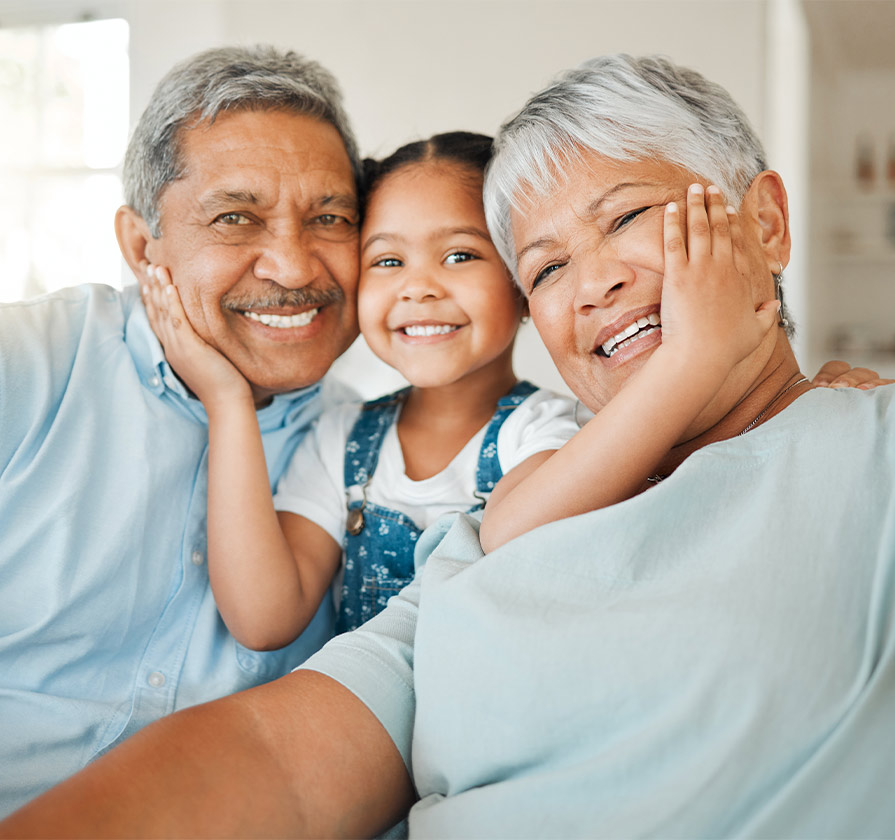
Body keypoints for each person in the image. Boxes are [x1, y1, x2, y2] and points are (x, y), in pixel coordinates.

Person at [0, 54, 895, 839]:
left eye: (629, 217)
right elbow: (276, 756)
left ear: (763, 225)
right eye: (549, 266)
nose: (592, 284)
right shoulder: (471, 543)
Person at [0, 45, 363, 816]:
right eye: (236, 218)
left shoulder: (367, 446)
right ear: (142, 247)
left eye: (330, 218)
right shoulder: (26, 365)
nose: (295, 267)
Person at [138, 131, 581, 650]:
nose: (418, 287)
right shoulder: (343, 438)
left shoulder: (551, 431)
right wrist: (228, 401)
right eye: (388, 261)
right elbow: (264, 619)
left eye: (460, 255)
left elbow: (514, 542)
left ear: (523, 278)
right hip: (365, 723)